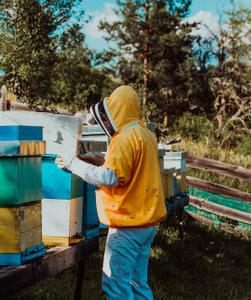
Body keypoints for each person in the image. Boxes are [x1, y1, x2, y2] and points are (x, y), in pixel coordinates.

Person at [56, 85, 167, 299]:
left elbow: (110, 177)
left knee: (116, 285)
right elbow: (130, 167)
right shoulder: (145, 133)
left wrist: (73, 164)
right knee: (137, 284)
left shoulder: (124, 137)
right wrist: (96, 159)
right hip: (147, 223)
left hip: (128, 223)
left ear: (117, 109)